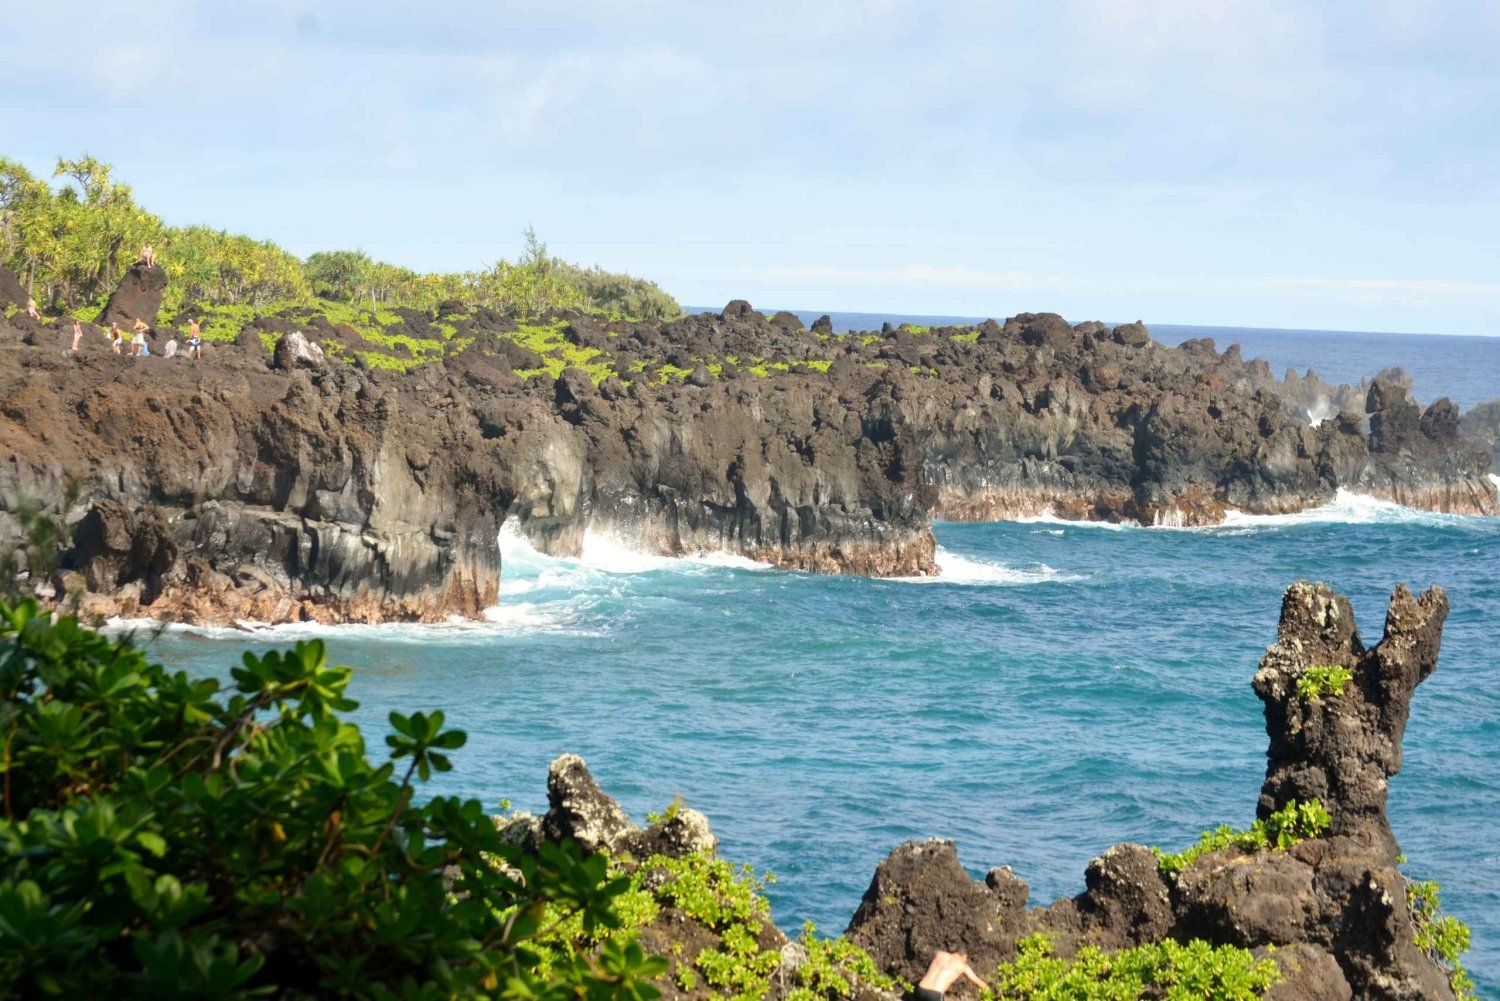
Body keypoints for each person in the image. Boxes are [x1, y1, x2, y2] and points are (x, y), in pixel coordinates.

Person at [912, 951, 988, 1001]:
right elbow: (977, 982)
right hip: (935, 995)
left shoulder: (940, 954)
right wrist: (989, 991)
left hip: (920, 989)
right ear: (964, 956)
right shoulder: (962, 966)